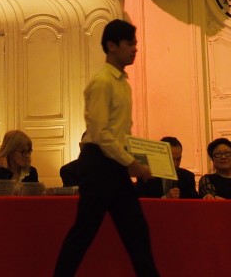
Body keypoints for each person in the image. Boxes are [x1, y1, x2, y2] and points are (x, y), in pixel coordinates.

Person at [54, 19, 160, 277]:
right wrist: (131, 163)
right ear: (112, 46)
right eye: (129, 44)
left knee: (135, 231)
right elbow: (101, 134)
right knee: (85, 231)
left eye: (135, 43)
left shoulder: (121, 82)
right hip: (99, 164)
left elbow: (118, 133)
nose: (135, 48)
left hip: (112, 164)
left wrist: (130, 159)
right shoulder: (103, 82)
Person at [0, 129, 39, 196]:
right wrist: (3, 170)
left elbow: (35, 199)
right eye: (23, 152)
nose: (27, 156)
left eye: (29, 152)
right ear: (10, 151)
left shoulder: (31, 172)